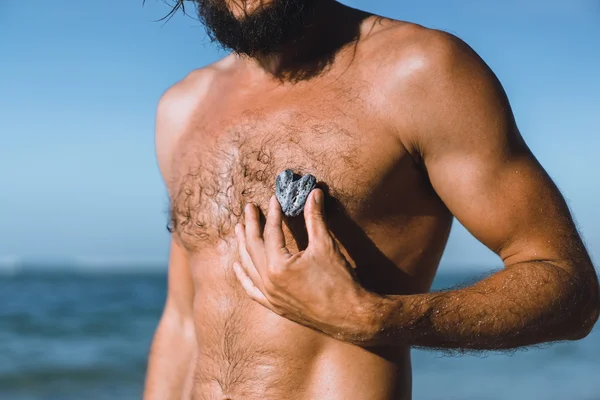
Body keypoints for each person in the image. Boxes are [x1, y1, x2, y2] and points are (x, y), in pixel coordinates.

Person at [143, 0, 600, 399]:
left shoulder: (419, 70)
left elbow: (570, 288)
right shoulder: (182, 108)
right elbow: (183, 322)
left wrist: (375, 316)